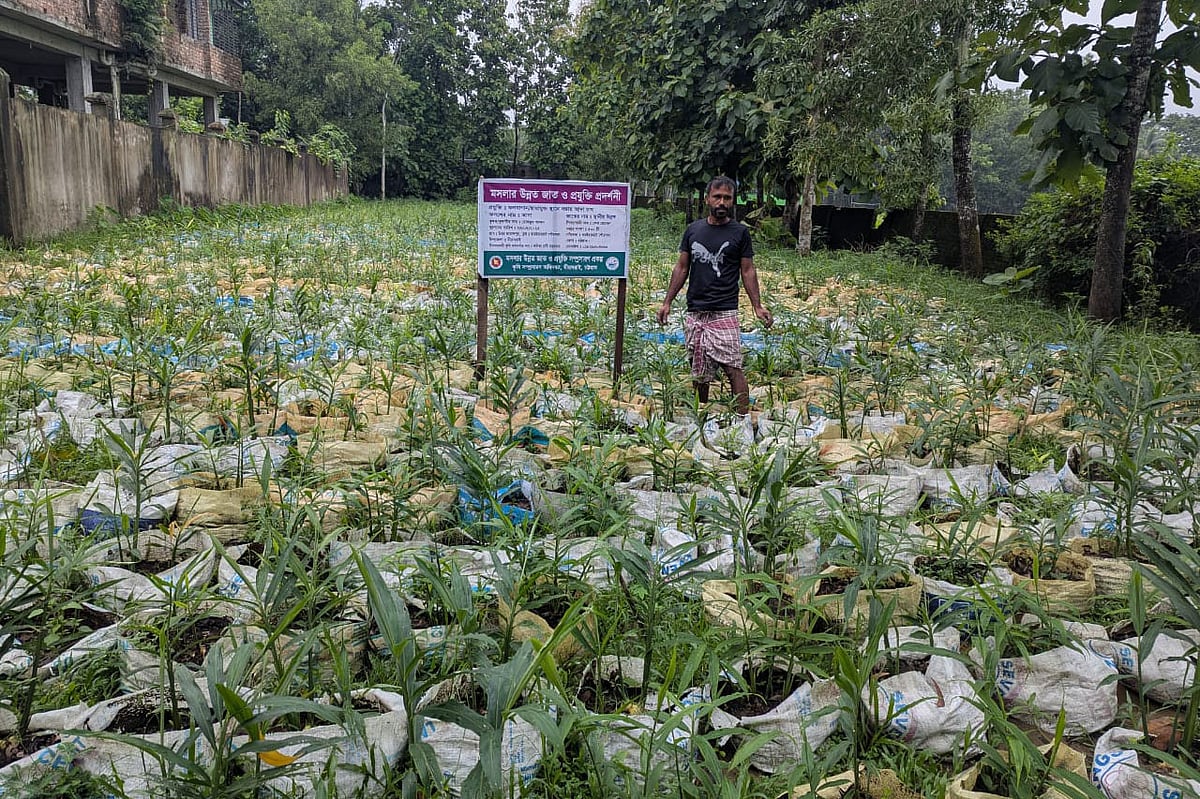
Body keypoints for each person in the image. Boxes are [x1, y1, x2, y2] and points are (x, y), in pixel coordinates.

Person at [656, 176, 772, 418]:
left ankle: (742, 419)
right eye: (717, 197)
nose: (721, 202)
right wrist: (667, 302)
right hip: (695, 310)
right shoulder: (693, 230)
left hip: (724, 310)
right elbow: (682, 267)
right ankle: (702, 415)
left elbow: (748, 270)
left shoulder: (739, 233)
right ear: (708, 199)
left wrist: (757, 306)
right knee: (699, 369)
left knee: (733, 367)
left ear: (733, 202)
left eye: (727, 198)